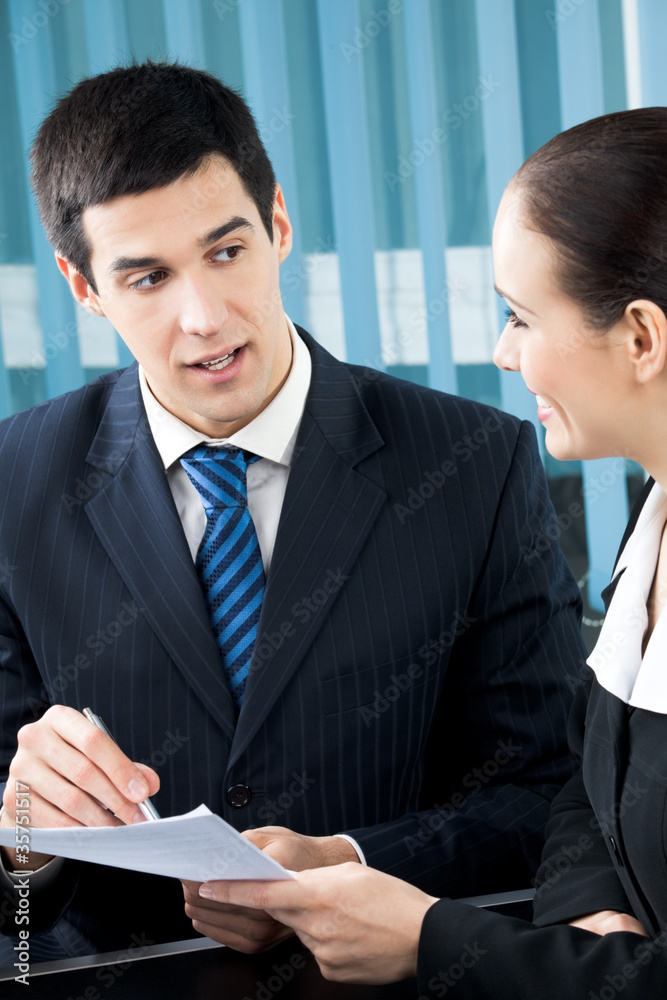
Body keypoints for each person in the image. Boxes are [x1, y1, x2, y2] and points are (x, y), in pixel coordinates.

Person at [0, 62, 584, 963]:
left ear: (277, 224)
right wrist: (22, 849)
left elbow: (545, 794)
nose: (203, 318)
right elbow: (16, 908)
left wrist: (350, 862)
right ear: (85, 289)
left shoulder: (474, 465)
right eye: (148, 278)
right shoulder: (12, 484)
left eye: (227, 252)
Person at [205, 107, 667, 996]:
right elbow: (584, 786)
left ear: (641, 338)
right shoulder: (651, 513)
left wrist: (434, 939)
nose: (502, 351)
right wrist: (584, 922)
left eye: (521, 317)